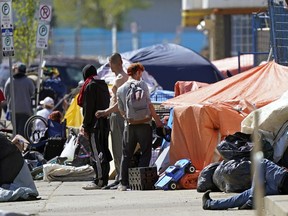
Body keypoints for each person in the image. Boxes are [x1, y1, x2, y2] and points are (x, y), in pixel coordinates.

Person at [116, 62, 163, 191]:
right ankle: (141, 181)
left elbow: (121, 110)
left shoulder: (120, 89)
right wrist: (158, 121)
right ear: (137, 72)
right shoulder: (142, 85)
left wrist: (130, 119)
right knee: (146, 152)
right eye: (141, 73)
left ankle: (123, 183)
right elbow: (149, 105)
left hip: (129, 126)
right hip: (145, 124)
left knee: (126, 155)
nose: (141, 75)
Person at [96, 53, 128, 189]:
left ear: (118, 63)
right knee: (115, 147)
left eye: (111, 64)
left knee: (119, 147)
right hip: (114, 115)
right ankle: (118, 177)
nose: (110, 67)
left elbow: (120, 102)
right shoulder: (118, 78)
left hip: (118, 115)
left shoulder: (122, 78)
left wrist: (106, 112)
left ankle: (121, 178)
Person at [202, 158, 288, 210]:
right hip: (280, 189)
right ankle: (211, 204)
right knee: (248, 193)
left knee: (262, 162)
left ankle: (252, 200)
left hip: (281, 179)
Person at [78, 64, 113, 190]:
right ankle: (104, 179)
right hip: (104, 123)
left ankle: (99, 180)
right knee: (103, 150)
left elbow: (88, 108)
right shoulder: (103, 85)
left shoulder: (90, 86)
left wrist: (85, 126)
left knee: (97, 153)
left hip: (94, 125)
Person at [4, 62, 35, 136]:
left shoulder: (10, 80)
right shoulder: (28, 81)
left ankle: (15, 146)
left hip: (13, 110)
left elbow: (5, 95)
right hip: (25, 110)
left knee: (15, 131)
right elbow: (33, 93)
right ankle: (21, 147)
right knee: (23, 132)